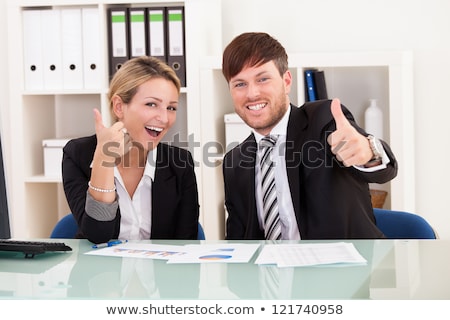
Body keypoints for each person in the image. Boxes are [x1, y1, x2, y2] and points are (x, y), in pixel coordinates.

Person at [222, 32, 398, 240]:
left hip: (346, 269)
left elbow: (384, 170)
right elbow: (238, 241)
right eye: (240, 84)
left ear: (286, 81)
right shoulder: (234, 162)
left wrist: (368, 151)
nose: (252, 94)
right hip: (270, 271)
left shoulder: (323, 120)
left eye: (263, 79)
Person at [62, 56, 200, 244]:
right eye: (151, 104)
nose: (164, 118)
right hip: (100, 271)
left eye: (171, 107)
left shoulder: (180, 163)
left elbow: (186, 244)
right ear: (119, 107)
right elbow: (97, 234)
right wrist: (104, 159)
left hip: (161, 273)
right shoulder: (77, 155)